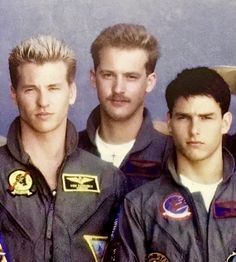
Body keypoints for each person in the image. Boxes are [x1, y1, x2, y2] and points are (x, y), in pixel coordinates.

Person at [0, 35, 126, 261]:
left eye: (53, 88)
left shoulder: (108, 180)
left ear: (72, 92)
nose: (43, 101)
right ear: (14, 94)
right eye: (30, 89)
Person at [110, 67, 236, 262]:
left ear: (225, 122)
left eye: (206, 118)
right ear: (169, 122)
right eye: (184, 117)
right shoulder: (140, 206)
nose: (194, 130)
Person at [79, 23, 171, 193]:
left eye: (131, 77)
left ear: (150, 82)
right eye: (108, 75)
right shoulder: (69, 150)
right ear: (93, 78)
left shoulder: (173, 155)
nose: (118, 88)